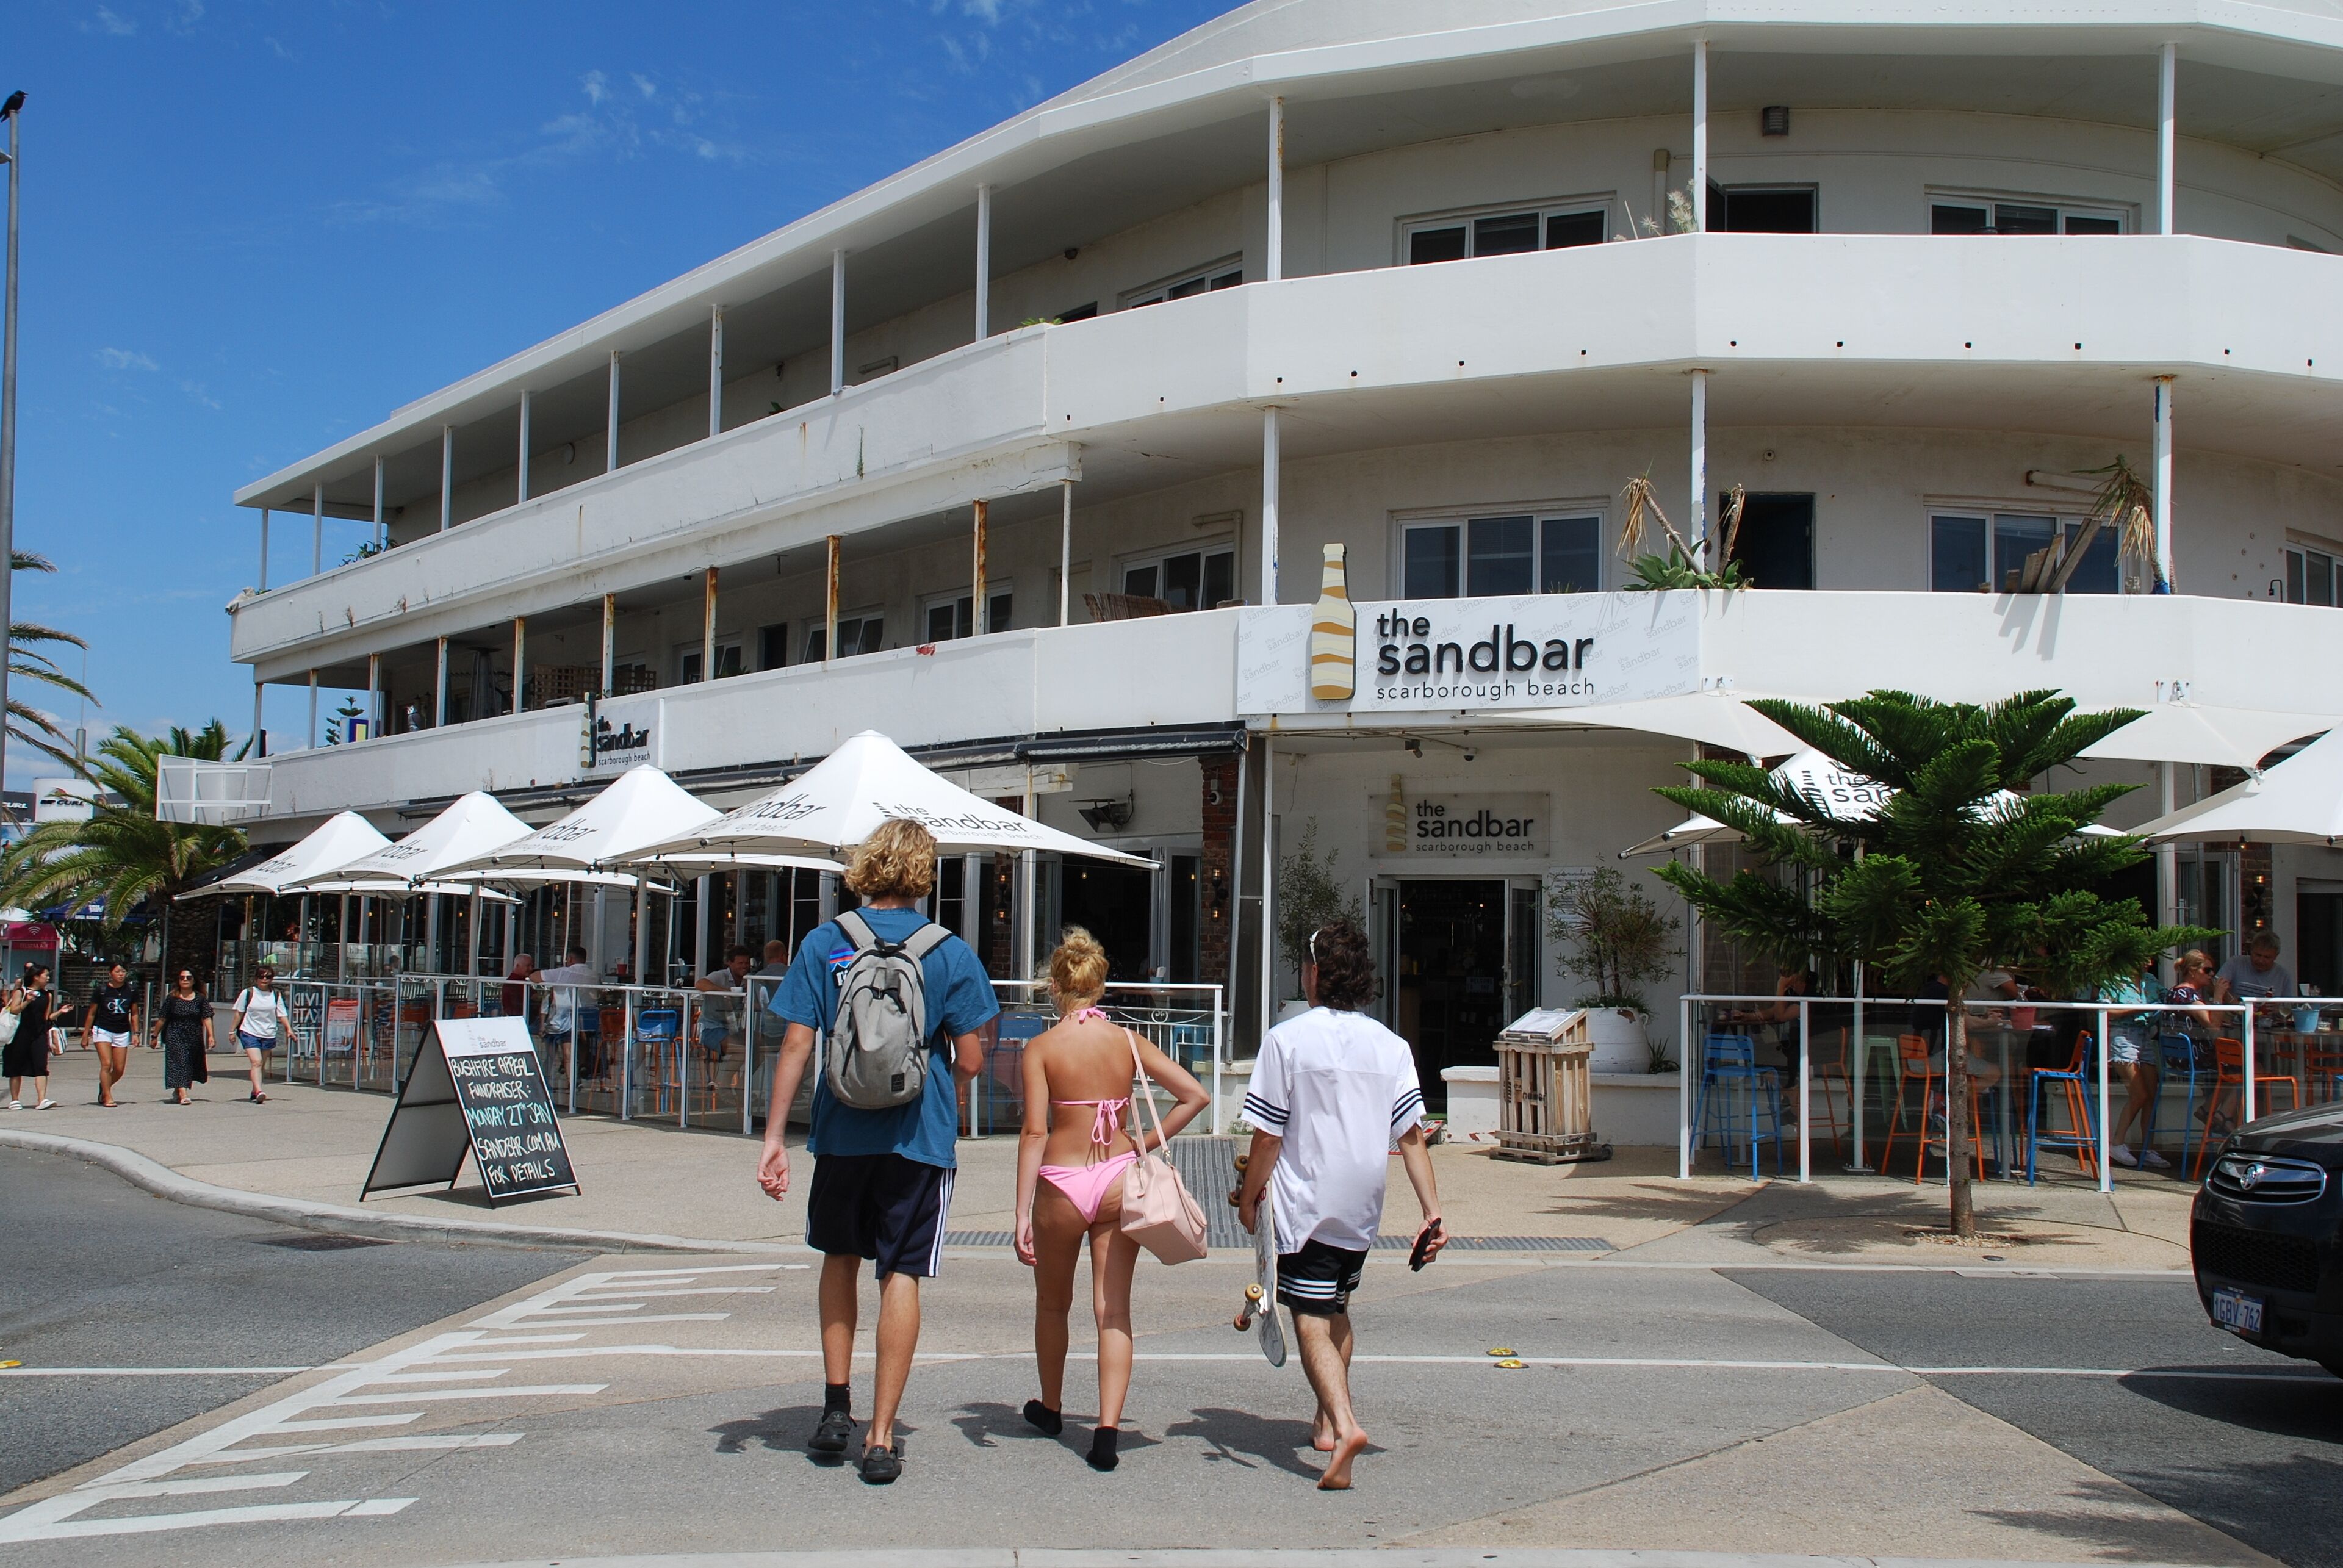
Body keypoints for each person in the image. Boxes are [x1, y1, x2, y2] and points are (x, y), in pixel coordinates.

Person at [756, 818, 999, 1484]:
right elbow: (974, 1056)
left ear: (865, 867)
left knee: (839, 1256)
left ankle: (836, 1408)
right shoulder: (949, 950)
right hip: (918, 1139)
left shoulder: (825, 941)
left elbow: (799, 1044)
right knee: (901, 1272)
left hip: (840, 1132)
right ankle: (883, 1435)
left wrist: (776, 1137)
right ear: (924, 873)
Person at [1235, 920, 1446, 1491]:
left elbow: (1268, 1137)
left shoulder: (1288, 1039)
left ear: (1314, 973)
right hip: (1361, 1206)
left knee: (1308, 1317)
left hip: (1307, 1202)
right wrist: (1432, 1213)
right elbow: (1411, 1137)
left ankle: (1346, 1424)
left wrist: (1252, 1197)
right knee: (1338, 1305)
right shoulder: (1391, 1045)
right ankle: (1326, 1425)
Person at [1013, 927, 1209, 1471]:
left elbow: (1033, 1133)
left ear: (1056, 985)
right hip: (1118, 1176)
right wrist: (1139, 1144)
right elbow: (1196, 1094)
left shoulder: (1041, 1049)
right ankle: (1105, 1433)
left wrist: (1019, 1210)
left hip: (1062, 1179)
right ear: (1100, 987)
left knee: (1054, 1303)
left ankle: (1051, 1408)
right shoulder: (1126, 1042)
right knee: (1113, 1309)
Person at [2098, 958, 2166, 1170]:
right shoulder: (2114, 980)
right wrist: (2134, 1009)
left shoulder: (2150, 980)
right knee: (2139, 1094)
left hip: (2147, 1035)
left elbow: (2169, 999)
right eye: (2141, 956)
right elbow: (2105, 1011)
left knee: (2151, 1097)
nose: (2147, 961)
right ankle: (2116, 1143)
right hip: (2123, 1036)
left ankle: (2148, 1148)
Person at [696, 944, 755, 1093]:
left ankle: (742, 1086)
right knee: (742, 1051)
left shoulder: (749, 980)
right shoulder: (719, 975)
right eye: (740, 963)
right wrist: (725, 992)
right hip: (711, 1028)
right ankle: (726, 1085)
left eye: (747, 963)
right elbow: (700, 984)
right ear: (730, 963)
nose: (744, 966)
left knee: (759, 1046)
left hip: (734, 1027)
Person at [84, 962, 141, 1108]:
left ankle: (104, 1085)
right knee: (106, 1064)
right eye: (117, 971)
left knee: (119, 1069)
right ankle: (107, 1096)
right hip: (103, 1029)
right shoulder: (102, 990)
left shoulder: (132, 990)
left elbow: (134, 1013)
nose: (121, 974)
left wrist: (136, 1033)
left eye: (123, 971)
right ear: (111, 973)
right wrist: (85, 1034)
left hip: (122, 1031)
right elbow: (91, 1013)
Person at [539, 946, 598, 1082]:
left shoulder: (566, 982)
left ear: (570, 959)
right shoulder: (593, 975)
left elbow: (576, 1009)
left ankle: (572, 1079)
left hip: (569, 1024)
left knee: (567, 1052)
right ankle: (548, 1079)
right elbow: (544, 1008)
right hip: (561, 1025)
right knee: (556, 1055)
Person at [157, 968, 214, 1106]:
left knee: (188, 1064)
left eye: (188, 978)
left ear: (194, 980)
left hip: (194, 1035)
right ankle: (184, 1095)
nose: (185, 980)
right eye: (182, 977)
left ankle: (178, 1090)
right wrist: (155, 1035)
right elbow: (163, 1018)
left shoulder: (200, 999)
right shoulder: (172, 999)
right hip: (175, 1034)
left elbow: (207, 1017)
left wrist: (211, 1036)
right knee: (180, 1062)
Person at [228, 966, 284, 1106]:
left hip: (268, 1032)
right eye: (261, 977)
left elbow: (282, 1013)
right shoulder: (248, 993)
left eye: (268, 977)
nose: (265, 979)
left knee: (261, 1065)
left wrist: (289, 1029)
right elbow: (239, 1013)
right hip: (249, 1032)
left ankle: (255, 1092)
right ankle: (260, 1091)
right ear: (256, 978)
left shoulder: (275, 994)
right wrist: (232, 1031)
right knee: (256, 1062)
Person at [4, 963, 55, 1110]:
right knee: (16, 1065)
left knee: (41, 1066)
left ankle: (42, 1099)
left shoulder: (47, 995)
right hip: (20, 1034)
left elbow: (47, 1017)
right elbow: (14, 1011)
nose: (48, 978)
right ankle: (15, 1099)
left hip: (39, 1034)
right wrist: (28, 1001)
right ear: (36, 977)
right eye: (46, 975)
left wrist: (62, 1012)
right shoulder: (21, 992)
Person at [2214, 932, 2294, 1012]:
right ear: (2251, 951)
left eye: (2267, 957)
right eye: (2258, 955)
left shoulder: (2283, 976)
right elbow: (2213, 985)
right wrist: (2231, 1001)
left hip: (2268, 1022)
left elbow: (2289, 1009)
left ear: (2276, 956)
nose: (2261, 961)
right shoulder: (2235, 963)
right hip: (2234, 1021)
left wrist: (2279, 1010)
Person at [502, 953, 537, 1021]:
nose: (531, 969)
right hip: (523, 1020)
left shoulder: (519, 982)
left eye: (531, 966)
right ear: (518, 966)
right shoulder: (514, 983)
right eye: (528, 966)